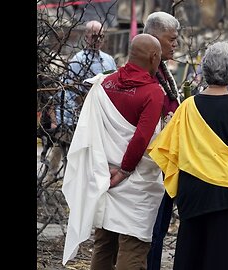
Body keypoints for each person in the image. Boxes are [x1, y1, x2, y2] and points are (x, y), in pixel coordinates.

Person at [147, 41, 228, 270]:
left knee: (192, 253)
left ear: (205, 70)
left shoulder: (188, 106)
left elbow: (170, 146)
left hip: (194, 190)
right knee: (225, 257)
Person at [61, 33, 166, 269]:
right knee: (133, 246)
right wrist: (125, 170)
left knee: (104, 244)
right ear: (154, 57)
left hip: (104, 176)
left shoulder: (105, 83)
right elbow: (141, 138)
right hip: (134, 182)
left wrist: (108, 172)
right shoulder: (152, 92)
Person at [44, 20, 117, 183]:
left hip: (101, 113)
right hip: (77, 113)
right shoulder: (78, 60)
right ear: (86, 37)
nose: (98, 40)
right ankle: (51, 178)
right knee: (65, 148)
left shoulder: (108, 60)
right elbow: (71, 88)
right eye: (94, 36)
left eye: (101, 36)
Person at [142, 11, 182, 270]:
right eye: (171, 39)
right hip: (148, 169)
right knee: (148, 234)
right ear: (154, 41)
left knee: (159, 232)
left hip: (165, 167)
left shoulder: (165, 73)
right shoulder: (144, 77)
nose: (175, 45)